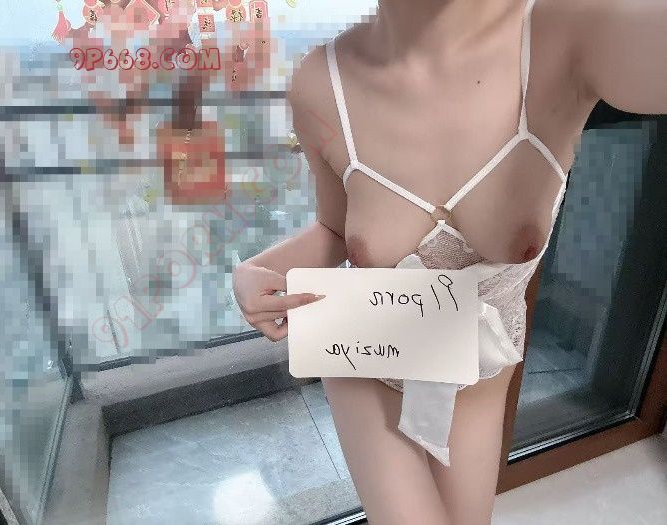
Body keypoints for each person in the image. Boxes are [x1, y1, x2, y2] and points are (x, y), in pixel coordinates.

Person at [232, 1, 667, 523]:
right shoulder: (319, 83)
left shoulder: (567, 31)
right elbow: (335, 228)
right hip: (367, 360)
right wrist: (257, 271)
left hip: (479, 376)